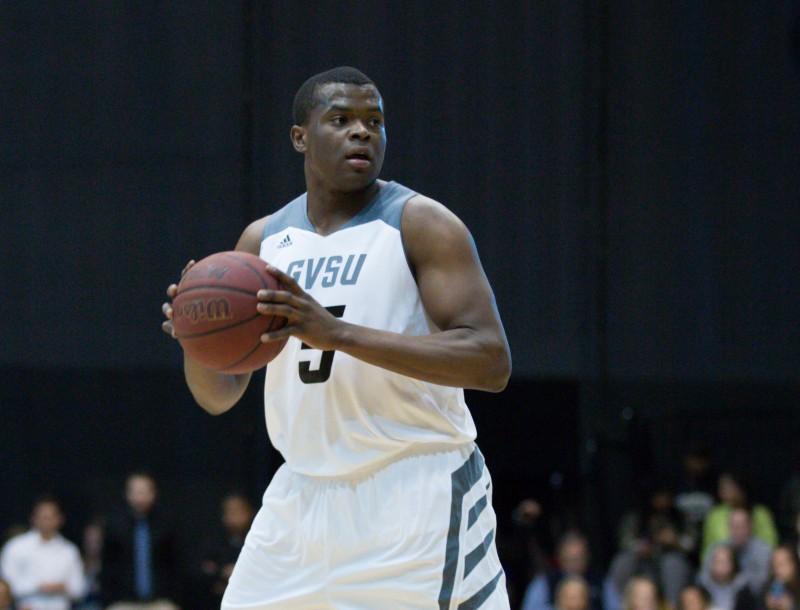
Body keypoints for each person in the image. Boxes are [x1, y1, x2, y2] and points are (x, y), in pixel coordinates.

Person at [161, 66, 512, 609]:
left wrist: (338, 333)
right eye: (342, 119)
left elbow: (490, 361)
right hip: (301, 496)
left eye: (374, 121)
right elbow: (219, 394)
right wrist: (197, 338)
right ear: (300, 136)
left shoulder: (420, 224)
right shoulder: (264, 239)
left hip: (414, 488)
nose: (363, 132)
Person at [101, 472, 179, 609]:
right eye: (136, 491)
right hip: (123, 601)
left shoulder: (167, 525)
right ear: (127, 494)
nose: (140, 496)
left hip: (160, 601)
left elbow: (175, 564)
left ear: (153, 493)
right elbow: (107, 565)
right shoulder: (114, 526)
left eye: (144, 491)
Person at [0, 497, 86, 610]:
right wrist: (38, 587)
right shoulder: (16, 547)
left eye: (50, 517)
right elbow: (5, 586)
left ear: (60, 519)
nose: (47, 521)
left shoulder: (69, 551)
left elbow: (79, 589)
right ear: (33, 518)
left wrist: (62, 587)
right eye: (43, 517)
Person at [607, 520, 690, 609]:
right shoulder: (637, 518)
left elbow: (689, 544)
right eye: (643, 598)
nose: (648, 602)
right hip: (638, 566)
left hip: (661, 569)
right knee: (623, 561)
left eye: (651, 598)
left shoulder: (677, 519)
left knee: (673, 563)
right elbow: (625, 542)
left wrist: (673, 542)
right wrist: (639, 547)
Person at [522, 532, 612, 610]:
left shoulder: (600, 581)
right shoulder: (545, 582)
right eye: (571, 559)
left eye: (580, 558)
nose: (575, 564)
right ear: (560, 558)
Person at [195, 494, 255, 608]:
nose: (232, 516)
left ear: (249, 513)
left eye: (237, 511)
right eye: (229, 511)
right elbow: (203, 570)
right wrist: (222, 572)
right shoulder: (213, 542)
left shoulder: (258, 542)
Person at [702, 473, 778, 559]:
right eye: (722, 488)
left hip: (757, 565)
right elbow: (707, 549)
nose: (724, 492)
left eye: (729, 487)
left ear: (741, 488)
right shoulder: (714, 515)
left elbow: (771, 544)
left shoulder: (760, 513)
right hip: (723, 567)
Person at [703, 509, 772, 593]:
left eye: (742, 526)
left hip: (751, 598)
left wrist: (736, 581)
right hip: (718, 596)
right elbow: (703, 578)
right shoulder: (716, 548)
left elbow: (764, 581)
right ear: (729, 527)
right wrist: (719, 578)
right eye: (734, 526)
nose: (738, 531)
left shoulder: (763, 550)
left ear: (750, 526)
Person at [734, 545, 800, 610]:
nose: (778, 569)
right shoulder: (767, 588)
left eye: (782, 564)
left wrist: (791, 607)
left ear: (795, 565)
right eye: (774, 565)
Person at [697, 545, 750, 610]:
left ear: (733, 564)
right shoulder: (702, 586)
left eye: (724, 562)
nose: (720, 567)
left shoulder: (743, 589)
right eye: (717, 562)